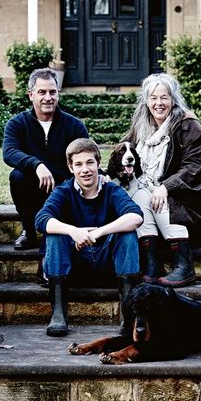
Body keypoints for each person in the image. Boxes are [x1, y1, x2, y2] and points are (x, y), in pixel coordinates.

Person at [35, 138, 143, 337]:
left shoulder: (111, 190)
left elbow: (136, 216)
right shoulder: (64, 191)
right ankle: (58, 313)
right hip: (74, 266)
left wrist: (98, 232)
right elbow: (41, 219)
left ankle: (129, 315)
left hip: (108, 265)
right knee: (55, 236)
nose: (85, 169)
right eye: (79, 164)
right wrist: (73, 231)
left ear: (98, 164)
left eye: (90, 163)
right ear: (70, 167)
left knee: (127, 234)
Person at [123, 72, 201, 287]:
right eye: (153, 98)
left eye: (164, 97)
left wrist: (165, 186)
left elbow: (197, 168)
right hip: (156, 194)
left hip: (191, 199)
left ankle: (184, 266)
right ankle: (151, 264)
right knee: (138, 196)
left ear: (173, 99)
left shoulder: (188, 126)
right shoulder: (142, 126)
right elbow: (124, 153)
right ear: (146, 101)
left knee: (156, 197)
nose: (159, 103)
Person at [2, 68, 88, 251]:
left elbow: (86, 155)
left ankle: (64, 232)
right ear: (30, 95)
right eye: (42, 92)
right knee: (17, 176)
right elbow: (9, 152)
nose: (48, 97)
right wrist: (37, 164)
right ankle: (29, 232)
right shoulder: (17, 124)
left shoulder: (74, 126)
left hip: (64, 189)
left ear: (58, 94)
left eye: (52, 92)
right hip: (33, 187)